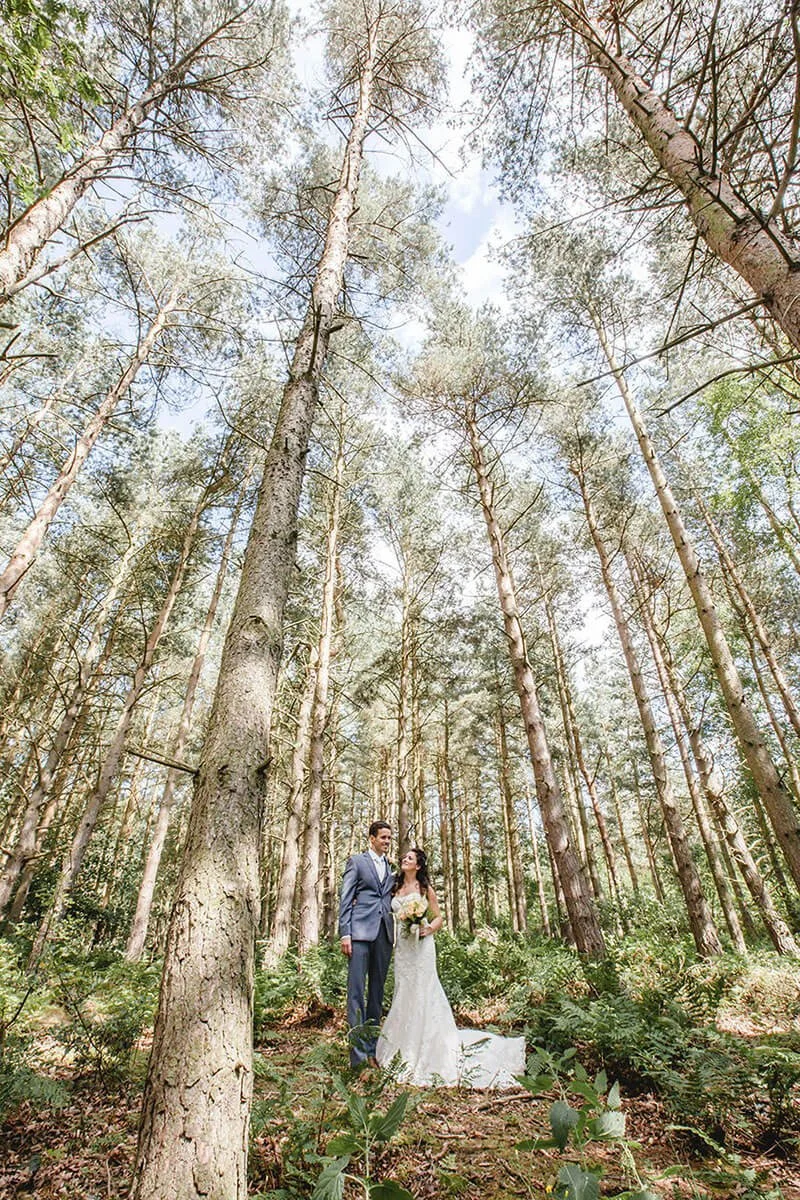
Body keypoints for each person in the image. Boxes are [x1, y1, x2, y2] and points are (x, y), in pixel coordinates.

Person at [376, 847, 525, 1088]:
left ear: (419, 866)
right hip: (403, 946)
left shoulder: (425, 890)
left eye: (410, 858)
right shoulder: (394, 887)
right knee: (404, 990)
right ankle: (400, 1046)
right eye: (404, 857)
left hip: (423, 945)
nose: (404, 859)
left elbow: (438, 918)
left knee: (425, 990)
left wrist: (427, 929)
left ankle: (429, 1049)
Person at [338, 820, 394, 1069]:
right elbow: (346, 898)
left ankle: (372, 1051)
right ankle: (358, 1057)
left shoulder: (390, 867)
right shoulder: (357, 862)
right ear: (371, 838)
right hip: (359, 934)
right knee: (356, 994)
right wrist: (345, 933)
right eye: (383, 837)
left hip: (384, 935)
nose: (387, 841)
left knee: (377, 995)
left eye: (389, 838)